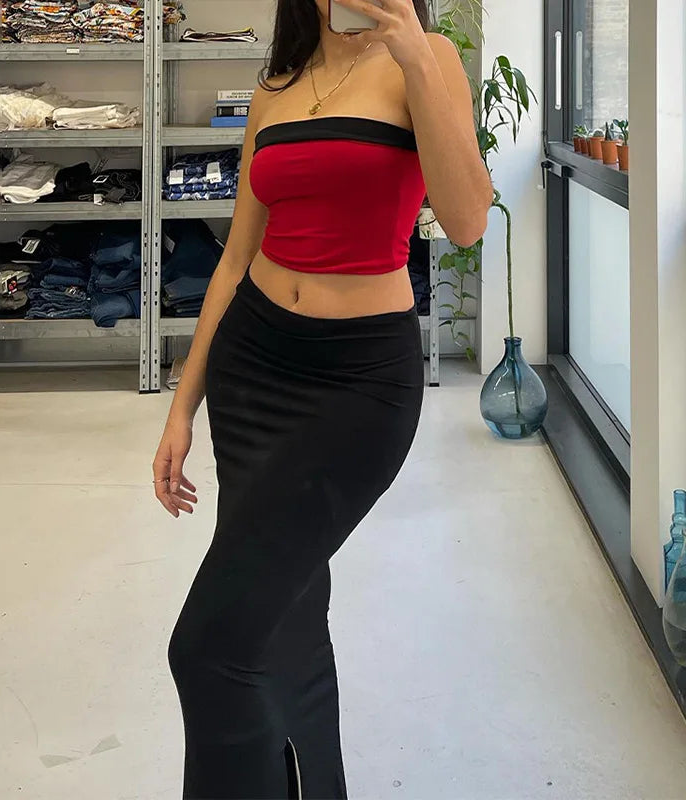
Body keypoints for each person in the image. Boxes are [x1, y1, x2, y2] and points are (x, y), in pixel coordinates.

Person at [153, 0, 493, 796]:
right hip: (252, 366)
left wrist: (415, 59)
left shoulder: (428, 58)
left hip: (358, 386)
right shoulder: (277, 84)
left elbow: (468, 220)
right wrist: (181, 406)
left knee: (208, 649)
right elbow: (235, 258)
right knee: (287, 618)